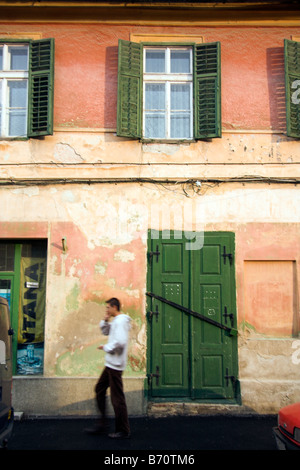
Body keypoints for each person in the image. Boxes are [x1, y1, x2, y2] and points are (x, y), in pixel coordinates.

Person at [86, 297, 131, 439]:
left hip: (116, 365)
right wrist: (105, 320)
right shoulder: (116, 321)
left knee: (117, 398)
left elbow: (121, 342)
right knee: (99, 389)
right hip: (110, 364)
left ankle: (123, 430)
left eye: (108, 308)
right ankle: (103, 423)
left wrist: (106, 347)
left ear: (114, 307)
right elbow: (106, 332)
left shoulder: (122, 321)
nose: (106, 309)